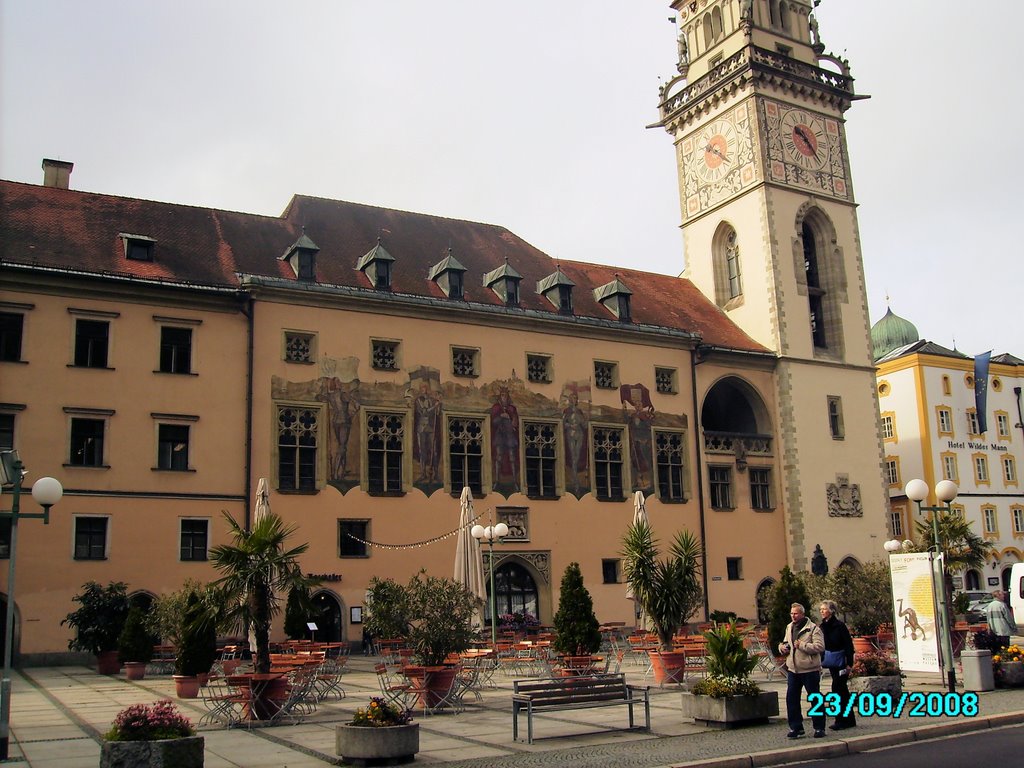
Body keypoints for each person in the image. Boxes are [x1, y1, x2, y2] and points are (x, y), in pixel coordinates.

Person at [779, 602, 826, 738]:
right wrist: (782, 647)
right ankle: (796, 727)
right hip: (793, 669)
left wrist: (802, 645)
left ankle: (819, 727)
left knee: (815, 698)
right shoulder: (789, 627)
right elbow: (785, 642)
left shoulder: (813, 629)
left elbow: (820, 647)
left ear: (802, 614)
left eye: (796, 613)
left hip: (810, 669)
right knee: (791, 699)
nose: (793, 616)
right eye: (792, 613)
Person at [819, 600, 856, 731]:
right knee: (842, 691)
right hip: (831, 662)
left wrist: (849, 664)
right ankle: (848, 718)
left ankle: (841, 720)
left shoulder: (839, 626)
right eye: (821, 609)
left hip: (841, 662)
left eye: (824, 609)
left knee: (838, 689)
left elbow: (848, 645)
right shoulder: (822, 627)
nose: (822, 611)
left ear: (831, 611)